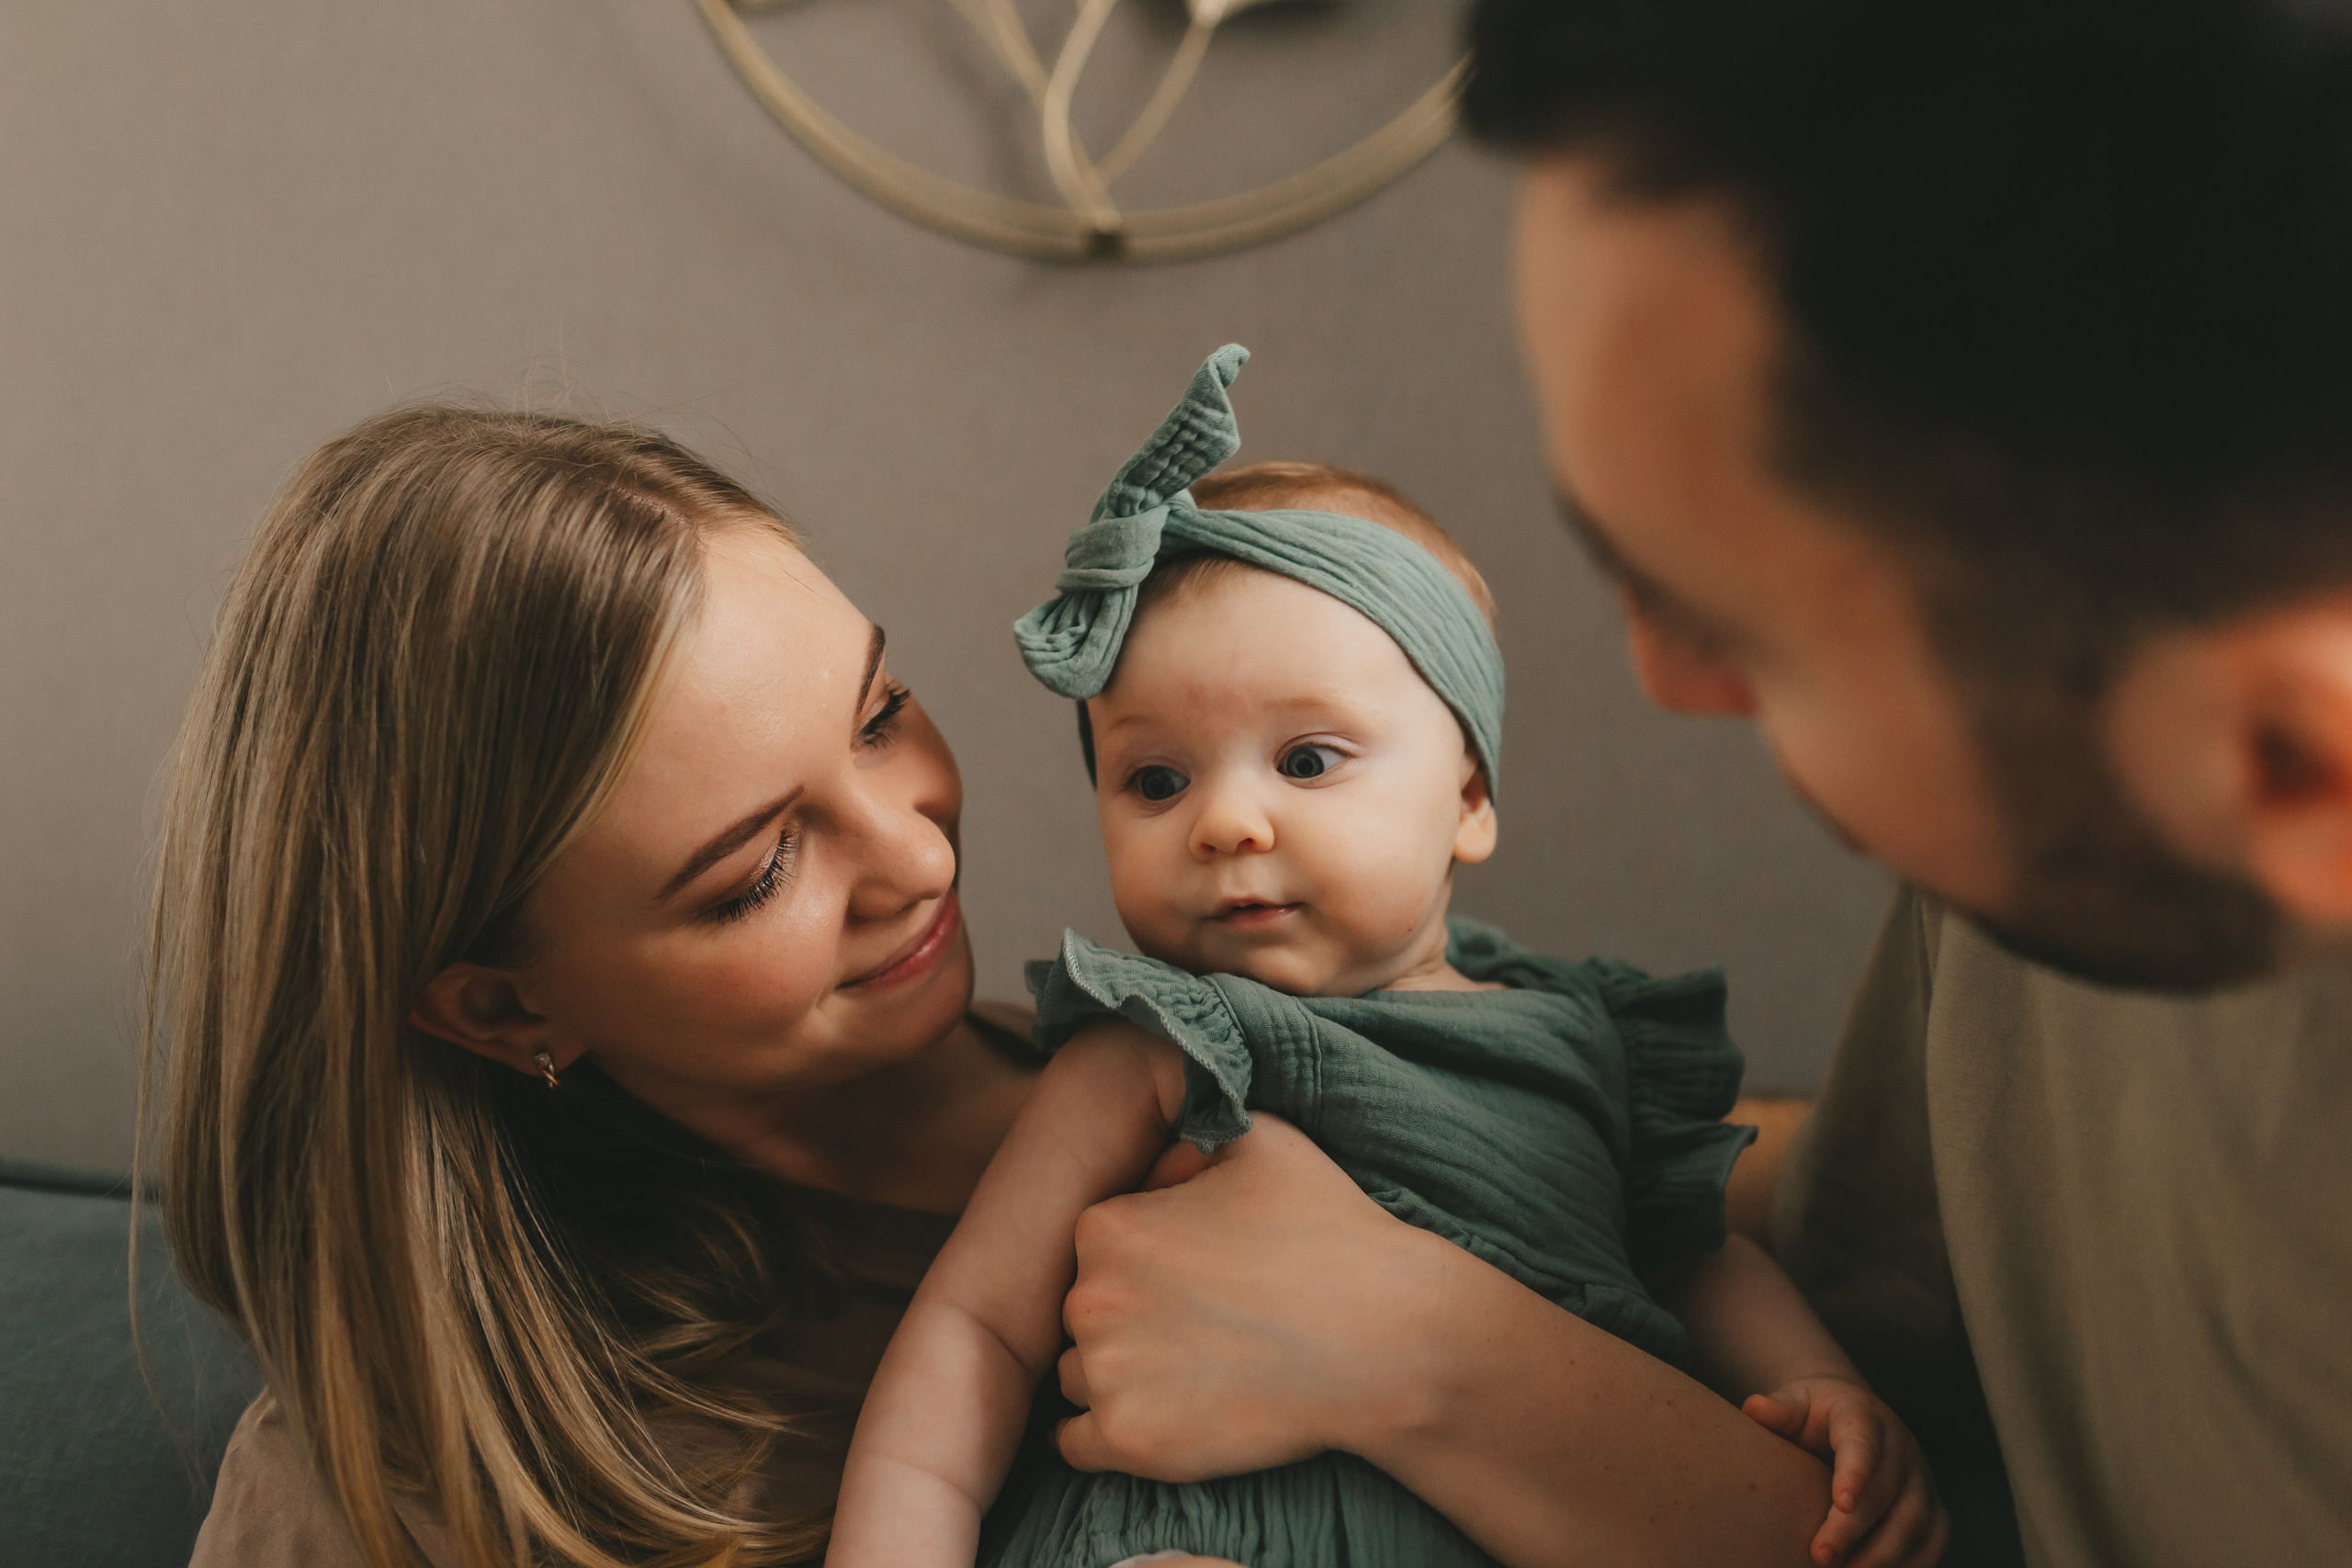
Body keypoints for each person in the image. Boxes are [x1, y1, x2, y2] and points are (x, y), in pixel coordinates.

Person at [1033, 5, 2352, 1566]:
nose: (1662, 678)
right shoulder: (2035, 860)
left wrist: (1425, 1350)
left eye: (1747, 629)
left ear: (2291, 769)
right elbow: (1818, 1268)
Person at [160, 404, 1848, 1568]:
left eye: (883, 713)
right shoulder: (406, 1481)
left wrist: (1404, 1336)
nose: (914, 857)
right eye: (758, 867)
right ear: (505, 1008)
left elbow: (1815, 1506)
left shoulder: (1248, 1061)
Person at [823, 347, 1941, 1568]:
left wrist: (1818, 1383)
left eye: (1306, 760)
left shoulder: (1589, 1040)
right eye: (1155, 778)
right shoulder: (1157, 1046)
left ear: (1468, 794)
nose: (1227, 822)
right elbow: (975, 1332)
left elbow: (1697, 1259)